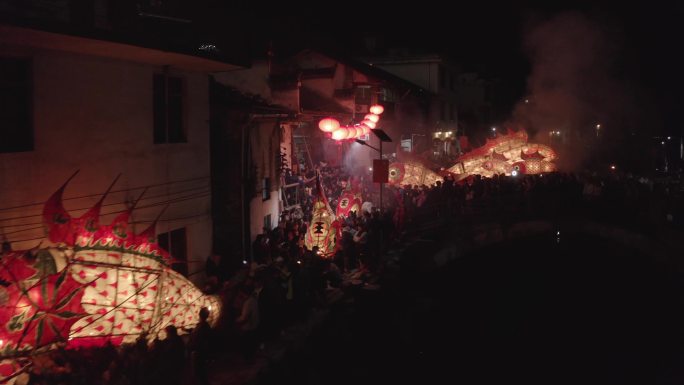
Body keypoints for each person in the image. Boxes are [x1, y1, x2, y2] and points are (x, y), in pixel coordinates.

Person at [189, 307, 213, 385]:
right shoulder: (203, 325)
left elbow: (200, 338)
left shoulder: (203, 326)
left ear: (200, 314)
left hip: (198, 352)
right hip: (199, 351)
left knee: (198, 372)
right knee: (199, 372)